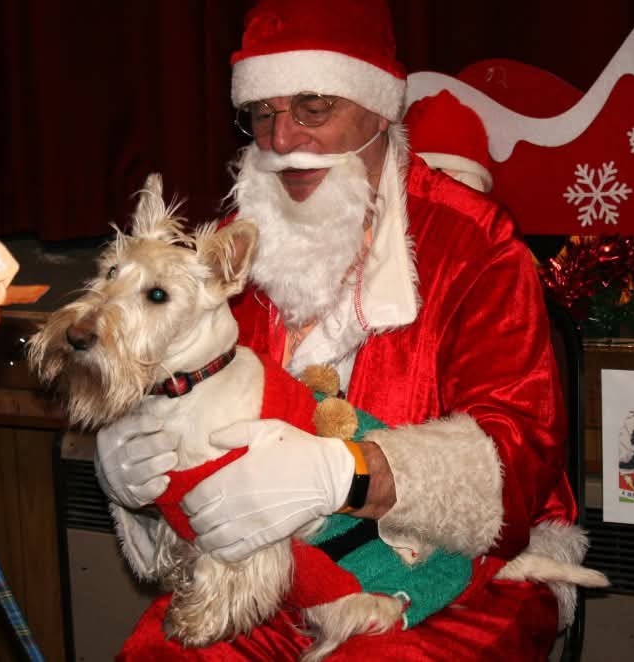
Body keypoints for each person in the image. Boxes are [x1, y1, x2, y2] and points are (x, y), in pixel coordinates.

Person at [97, 0, 583, 658]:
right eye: (261, 113)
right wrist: (135, 471)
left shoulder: (475, 244)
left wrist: (349, 474)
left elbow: (516, 459)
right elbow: (176, 389)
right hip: (272, 566)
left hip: (466, 572)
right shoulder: (230, 250)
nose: (280, 139)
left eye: (313, 107)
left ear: (377, 107)